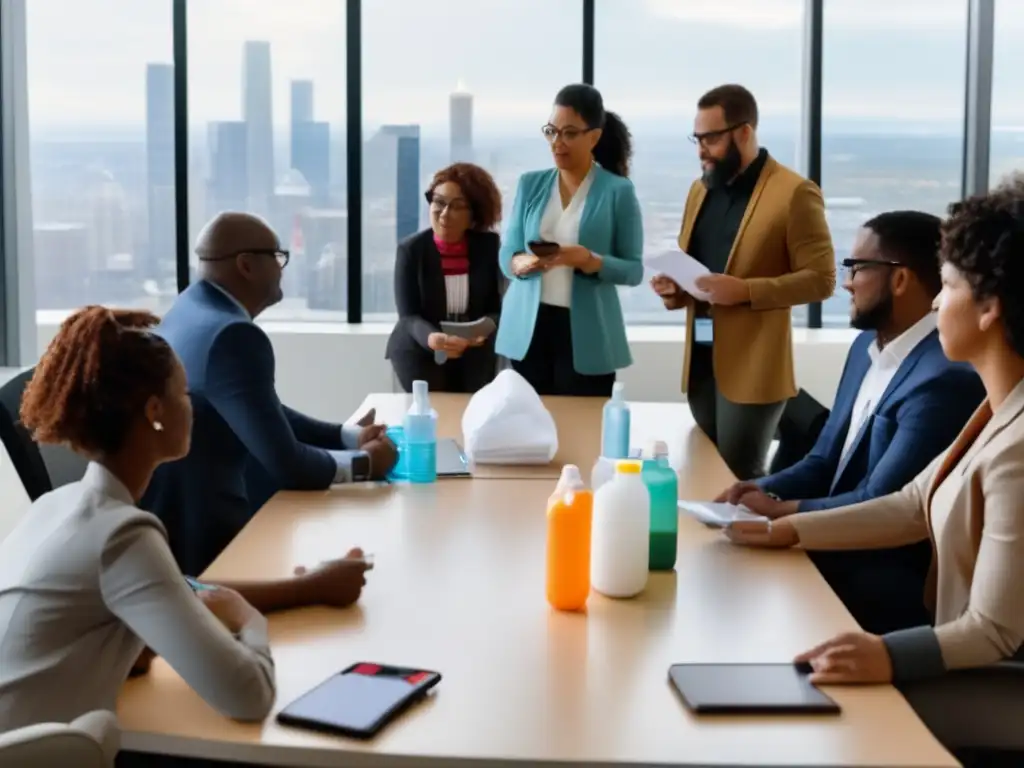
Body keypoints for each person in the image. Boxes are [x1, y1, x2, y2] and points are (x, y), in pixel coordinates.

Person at [726, 177, 1024, 757]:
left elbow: (993, 630)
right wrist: (783, 529)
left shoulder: (1017, 447)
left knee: (811, 719)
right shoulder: (997, 410)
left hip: (992, 685)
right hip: (956, 658)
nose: (937, 302)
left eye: (950, 286)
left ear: (990, 309)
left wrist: (885, 654)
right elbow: (912, 504)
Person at [0, 307, 276, 733]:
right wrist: (247, 617)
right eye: (184, 394)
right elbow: (248, 695)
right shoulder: (123, 535)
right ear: (155, 411)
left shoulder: (52, 507)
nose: (194, 408)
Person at [716, 210, 985, 634]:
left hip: (875, 580)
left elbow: (880, 500)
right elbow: (825, 458)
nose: (846, 282)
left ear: (899, 280)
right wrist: (763, 489)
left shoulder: (943, 380)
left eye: (857, 268)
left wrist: (781, 514)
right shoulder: (864, 348)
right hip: (822, 544)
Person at [140, 212, 398, 578]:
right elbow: (288, 466)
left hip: (172, 509)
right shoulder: (232, 335)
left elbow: (258, 409)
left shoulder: (191, 308)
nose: (282, 269)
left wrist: (348, 436)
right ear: (246, 265)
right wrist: (365, 464)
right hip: (209, 537)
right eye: (277, 258)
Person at [651, 84, 835, 479]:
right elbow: (699, 269)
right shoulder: (700, 190)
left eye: (712, 138)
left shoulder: (794, 193)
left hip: (754, 367)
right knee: (704, 471)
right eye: (697, 138)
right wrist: (676, 290)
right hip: (701, 361)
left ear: (745, 132)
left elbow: (822, 280)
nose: (701, 149)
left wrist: (746, 291)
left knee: (738, 480)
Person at [495, 83, 643, 397]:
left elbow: (633, 270)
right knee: (528, 431)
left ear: (594, 136)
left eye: (570, 133)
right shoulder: (530, 184)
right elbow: (508, 250)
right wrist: (519, 262)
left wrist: (589, 260)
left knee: (583, 429)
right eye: (552, 131)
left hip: (587, 333)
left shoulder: (618, 191)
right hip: (528, 328)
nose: (557, 143)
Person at [386, 163, 504, 393]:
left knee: (473, 410)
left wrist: (484, 330)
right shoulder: (411, 250)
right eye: (438, 202)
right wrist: (432, 338)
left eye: (457, 206)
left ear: (474, 214)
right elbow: (408, 316)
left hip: (473, 347)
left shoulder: (488, 246)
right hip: (420, 345)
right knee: (433, 410)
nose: (444, 213)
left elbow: (495, 307)